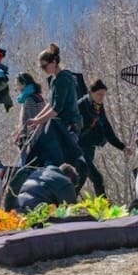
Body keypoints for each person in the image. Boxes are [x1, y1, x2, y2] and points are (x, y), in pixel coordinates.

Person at [26, 44, 89, 178]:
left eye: (45, 66)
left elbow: (56, 109)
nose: (43, 69)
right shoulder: (56, 80)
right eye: (41, 67)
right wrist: (37, 120)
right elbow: (50, 104)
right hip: (62, 126)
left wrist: (38, 121)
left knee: (65, 161)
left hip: (69, 126)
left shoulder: (63, 79)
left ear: (54, 62)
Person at [76, 79, 128, 197]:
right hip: (78, 148)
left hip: (89, 148)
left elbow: (107, 129)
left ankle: (66, 205)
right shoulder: (81, 106)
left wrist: (122, 147)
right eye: (99, 94)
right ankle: (103, 207)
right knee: (96, 178)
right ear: (91, 92)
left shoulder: (98, 107)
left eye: (103, 95)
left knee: (81, 179)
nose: (101, 97)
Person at [13, 72, 47, 166]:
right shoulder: (38, 97)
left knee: (24, 167)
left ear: (23, 84)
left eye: (17, 85)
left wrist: (28, 140)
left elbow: (33, 121)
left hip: (30, 141)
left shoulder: (29, 100)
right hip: (39, 138)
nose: (16, 88)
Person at [14, 163, 81, 211]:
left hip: (19, 207)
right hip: (37, 211)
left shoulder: (40, 172)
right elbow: (72, 210)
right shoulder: (66, 182)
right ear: (70, 179)